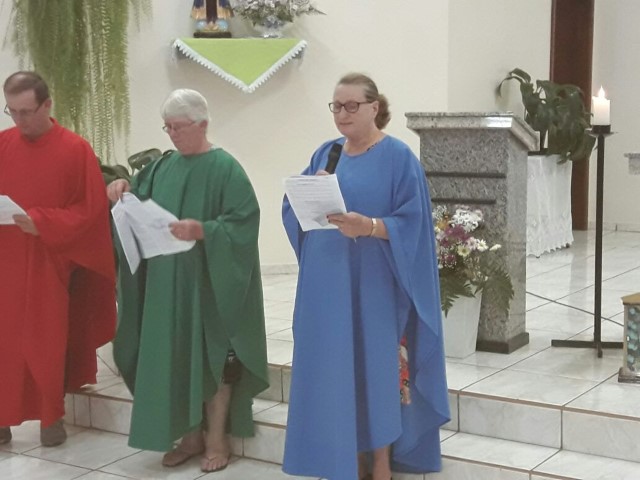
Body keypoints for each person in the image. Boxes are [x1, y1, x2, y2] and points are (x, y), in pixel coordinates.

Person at [282, 73, 450, 480]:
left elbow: (414, 223)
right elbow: (294, 211)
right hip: (328, 284)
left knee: (375, 367)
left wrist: (370, 226)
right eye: (337, 106)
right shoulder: (327, 153)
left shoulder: (398, 158)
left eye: (352, 106)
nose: (342, 114)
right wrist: (304, 194)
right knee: (338, 369)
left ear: (375, 107)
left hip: (375, 284)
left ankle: (380, 462)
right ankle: (347, 455)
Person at [106, 88, 269, 473]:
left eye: (179, 127)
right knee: (177, 357)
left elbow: (244, 223)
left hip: (210, 284)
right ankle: (189, 434)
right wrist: (121, 189)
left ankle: (216, 438)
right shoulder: (161, 168)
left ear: (203, 124)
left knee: (213, 357)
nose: (172, 134)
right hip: (167, 285)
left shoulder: (225, 168)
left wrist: (205, 230)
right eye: (167, 127)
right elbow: (137, 204)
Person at [0, 71, 116, 447]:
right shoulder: (2, 144)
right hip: (5, 262)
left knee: (45, 340)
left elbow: (91, 211)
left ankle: (52, 416)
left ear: (47, 105)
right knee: (3, 344)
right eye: (12, 111)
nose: (19, 120)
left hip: (50, 263)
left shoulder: (75, 149)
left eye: (27, 111)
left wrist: (44, 222)